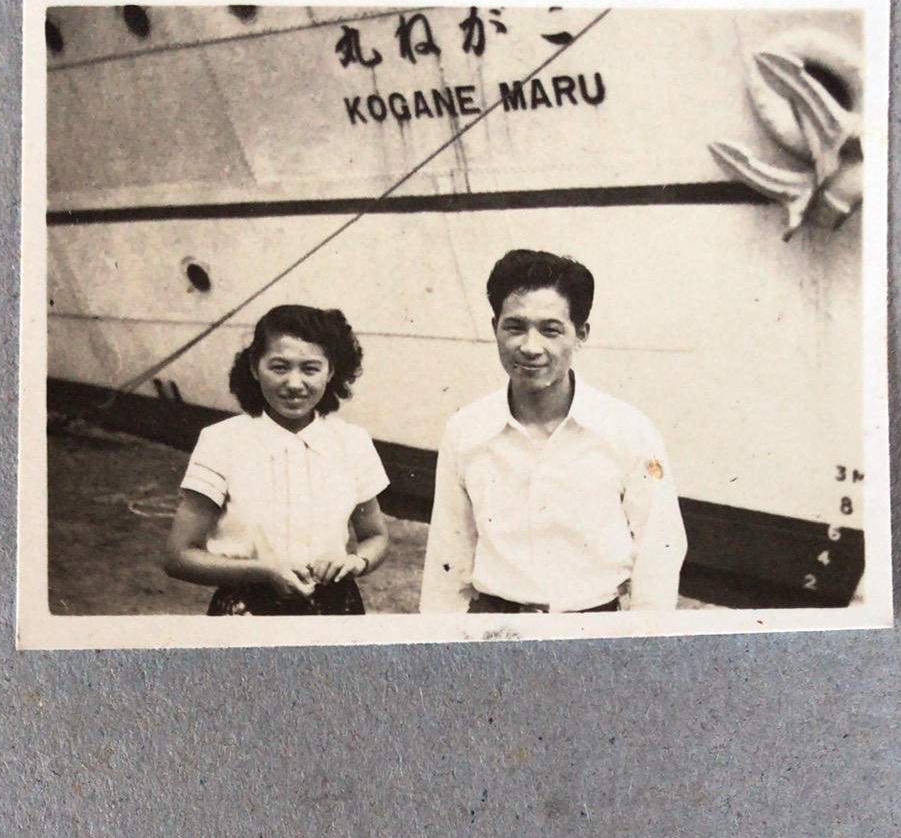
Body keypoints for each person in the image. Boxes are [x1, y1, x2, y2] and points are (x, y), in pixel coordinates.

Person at [420, 248, 688, 614]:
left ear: (580, 334)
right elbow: (448, 558)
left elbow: (658, 553)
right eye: (515, 327)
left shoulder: (629, 431)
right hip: (494, 627)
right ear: (495, 327)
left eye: (550, 330)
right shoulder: (466, 431)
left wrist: (640, 641)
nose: (531, 347)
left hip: (592, 629)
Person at [164, 303, 389, 614]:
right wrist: (264, 571)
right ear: (254, 367)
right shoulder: (221, 441)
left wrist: (356, 561)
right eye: (279, 367)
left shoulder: (352, 442)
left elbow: (375, 536)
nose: (294, 384)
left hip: (335, 610)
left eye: (310, 369)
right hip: (245, 613)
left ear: (331, 371)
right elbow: (178, 556)